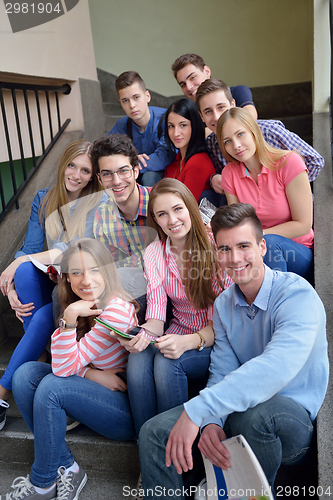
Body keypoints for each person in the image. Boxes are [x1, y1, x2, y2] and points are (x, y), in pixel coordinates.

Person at [137, 203, 328, 500]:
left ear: (262, 246)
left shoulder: (297, 295)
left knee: (251, 416)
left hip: (291, 423)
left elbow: (273, 369)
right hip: (240, 410)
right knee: (154, 432)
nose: (235, 258)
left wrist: (199, 410)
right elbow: (222, 370)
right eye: (224, 249)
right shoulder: (225, 303)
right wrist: (212, 421)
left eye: (243, 246)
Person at [0, 238, 138, 500]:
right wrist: (90, 371)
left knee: (51, 386)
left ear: (107, 271)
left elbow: (62, 369)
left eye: (94, 270)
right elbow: (66, 364)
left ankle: (41, 484)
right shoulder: (81, 306)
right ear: (67, 278)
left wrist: (70, 317)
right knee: (25, 375)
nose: (86, 280)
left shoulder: (114, 311)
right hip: (92, 390)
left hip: (122, 412)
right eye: (76, 272)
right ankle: (67, 467)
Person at [0, 141, 106, 428]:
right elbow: (30, 248)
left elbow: (71, 249)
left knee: (47, 315)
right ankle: (44, 355)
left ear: (93, 175)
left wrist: (16, 262)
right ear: (63, 165)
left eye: (85, 170)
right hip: (53, 277)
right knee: (22, 274)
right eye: (72, 165)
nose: (76, 174)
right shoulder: (45, 198)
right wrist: (10, 286)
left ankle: (2, 391)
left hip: (78, 283)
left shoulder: (98, 202)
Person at [120, 178, 232, 436]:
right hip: (177, 332)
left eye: (177, 209)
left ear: (190, 207)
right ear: (155, 220)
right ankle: (148, 445)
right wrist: (140, 336)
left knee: (167, 362)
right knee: (137, 358)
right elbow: (157, 316)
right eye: (162, 214)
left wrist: (190, 341)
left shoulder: (216, 245)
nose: (172, 220)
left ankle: (174, 447)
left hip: (216, 339)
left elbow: (230, 320)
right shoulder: (154, 252)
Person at [217, 107, 314, 283]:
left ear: (254, 131)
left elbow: (304, 224)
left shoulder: (289, 162)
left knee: (268, 243)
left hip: (298, 251)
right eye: (227, 141)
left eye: (240, 134)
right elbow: (238, 223)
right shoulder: (229, 174)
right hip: (257, 251)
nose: (236, 145)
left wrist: (257, 237)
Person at [195, 78, 325, 202]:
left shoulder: (268, 130)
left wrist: (287, 188)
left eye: (221, 107)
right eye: (208, 112)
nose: (216, 117)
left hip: (292, 206)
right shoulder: (211, 144)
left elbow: (314, 160)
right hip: (252, 213)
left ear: (233, 105)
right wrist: (213, 179)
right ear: (201, 116)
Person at [91, 134, 152, 322]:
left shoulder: (159, 202)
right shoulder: (102, 215)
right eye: (107, 174)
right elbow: (108, 266)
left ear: (135, 171)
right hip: (125, 295)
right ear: (100, 180)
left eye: (123, 171)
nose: (116, 181)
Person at [108, 71, 174, 186]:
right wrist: (130, 161)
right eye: (125, 101)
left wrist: (131, 164)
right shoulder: (122, 125)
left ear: (147, 96)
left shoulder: (166, 119)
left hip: (164, 174)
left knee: (149, 176)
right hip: (133, 173)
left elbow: (164, 156)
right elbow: (106, 149)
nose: (132, 105)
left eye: (136, 97)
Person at [171, 53, 257, 119]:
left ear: (207, 71)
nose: (189, 87)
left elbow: (250, 118)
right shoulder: (188, 112)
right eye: (183, 84)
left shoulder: (237, 92)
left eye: (192, 77)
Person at [163, 98, 215, 202]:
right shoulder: (175, 161)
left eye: (183, 125)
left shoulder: (198, 162)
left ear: (195, 126)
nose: (176, 133)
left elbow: (185, 205)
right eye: (171, 126)